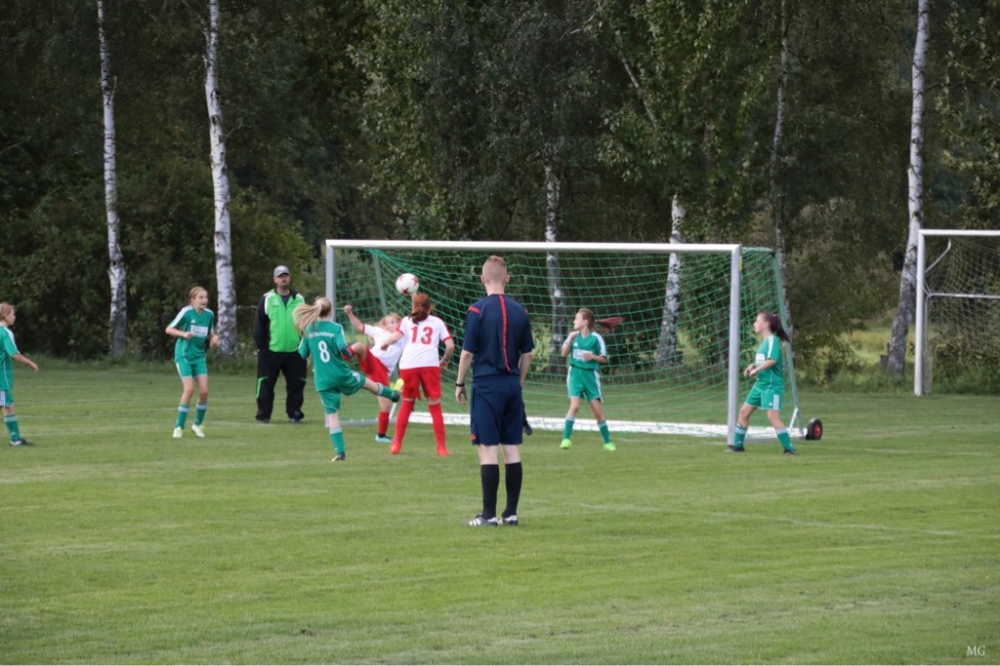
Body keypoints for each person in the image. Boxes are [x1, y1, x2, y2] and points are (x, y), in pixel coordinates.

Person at [455, 256, 534, 527]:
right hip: (511, 387)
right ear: (507, 278)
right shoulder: (520, 311)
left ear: (483, 279)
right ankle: (510, 514)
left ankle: (488, 515)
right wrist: (518, 382)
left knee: (487, 449)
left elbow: (467, 353)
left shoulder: (477, 310)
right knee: (511, 449)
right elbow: (528, 354)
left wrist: (459, 383)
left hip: (487, 386)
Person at [295, 297, 401, 461]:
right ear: (331, 312)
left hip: (323, 380)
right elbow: (342, 348)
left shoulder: (309, 329)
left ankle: (340, 452)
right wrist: (343, 353)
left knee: (332, 416)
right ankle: (393, 395)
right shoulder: (336, 328)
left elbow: (302, 354)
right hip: (341, 373)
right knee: (366, 383)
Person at [379, 293, 454, 456]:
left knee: (407, 404)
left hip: (409, 365)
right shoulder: (437, 322)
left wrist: (385, 344)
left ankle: (396, 444)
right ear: (430, 307)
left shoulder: (406, 321)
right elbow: (450, 345)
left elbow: (395, 337)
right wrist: (445, 360)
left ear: (413, 307)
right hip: (430, 364)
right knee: (434, 405)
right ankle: (441, 448)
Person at [727, 311, 796, 455]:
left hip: (772, 386)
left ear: (766, 324)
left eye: (757, 321)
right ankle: (738, 446)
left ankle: (789, 448)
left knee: (772, 417)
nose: (754, 324)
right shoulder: (765, 342)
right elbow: (764, 359)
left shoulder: (773, 341)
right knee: (744, 412)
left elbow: (772, 360)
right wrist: (753, 365)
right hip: (760, 385)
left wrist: (756, 370)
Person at [343, 305, 406, 443]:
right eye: (392, 322)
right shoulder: (379, 331)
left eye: (397, 322)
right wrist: (349, 313)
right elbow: (359, 326)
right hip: (373, 361)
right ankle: (338, 361)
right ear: (385, 325)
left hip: (382, 371)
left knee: (385, 405)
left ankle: (381, 436)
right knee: (359, 346)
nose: (395, 324)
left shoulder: (403, 337)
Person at [253, 265, 307, 424]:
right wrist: (262, 347)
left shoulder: (299, 299)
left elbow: (305, 324)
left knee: (296, 384)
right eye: (280, 276)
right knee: (266, 384)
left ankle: (294, 413)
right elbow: (259, 324)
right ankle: (263, 415)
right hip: (271, 351)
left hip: (295, 351)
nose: (283, 278)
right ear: (275, 280)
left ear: (289, 278)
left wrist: (304, 346)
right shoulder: (267, 298)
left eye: (286, 275)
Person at [165, 286, 219, 439]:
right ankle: (178, 427)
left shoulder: (209, 315)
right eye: (200, 297)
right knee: (189, 390)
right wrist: (183, 333)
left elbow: (210, 332)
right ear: (192, 300)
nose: (204, 300)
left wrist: (214, 338)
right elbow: (169, 329)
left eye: (206, 297)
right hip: (184, 356)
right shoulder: (186, 312)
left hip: (199, 356)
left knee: (204, 391)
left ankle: (197, 424)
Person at [560, 308, 616, 452]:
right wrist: (570, 340)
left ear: (585, 322)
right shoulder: (573, 335)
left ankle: (607, 442)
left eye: (576, 318)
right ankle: (566, 439)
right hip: (575, 374)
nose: (574, 321)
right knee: (575, 406)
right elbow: (563, 353)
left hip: (590, 376)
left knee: (597, 411)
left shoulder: (596, 338)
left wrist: (592, 356)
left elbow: (603, 359)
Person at [0, 302, 39, 447]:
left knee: (8, 405)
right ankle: (15, 439)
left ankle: (15, 438)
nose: (14, 317)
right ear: (5, 315)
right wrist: (30, 363)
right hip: (1, 376)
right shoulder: (5, 333)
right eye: (13, 314)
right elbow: (14, 354)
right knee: (7, 404)